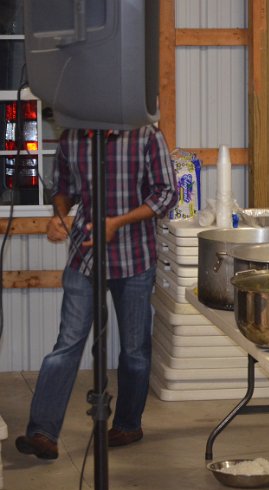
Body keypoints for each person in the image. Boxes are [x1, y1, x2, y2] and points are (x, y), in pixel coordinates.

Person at [16, 125, 178, 460]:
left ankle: (129, 424)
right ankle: (42, 432)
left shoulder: (146, 135)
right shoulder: (72, 136)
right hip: (84, 254)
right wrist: (59, 216)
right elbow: (63, 189)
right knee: (68, 342)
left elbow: (165, 194)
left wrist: (117, 222)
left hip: (134, 256)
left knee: (134, 349)